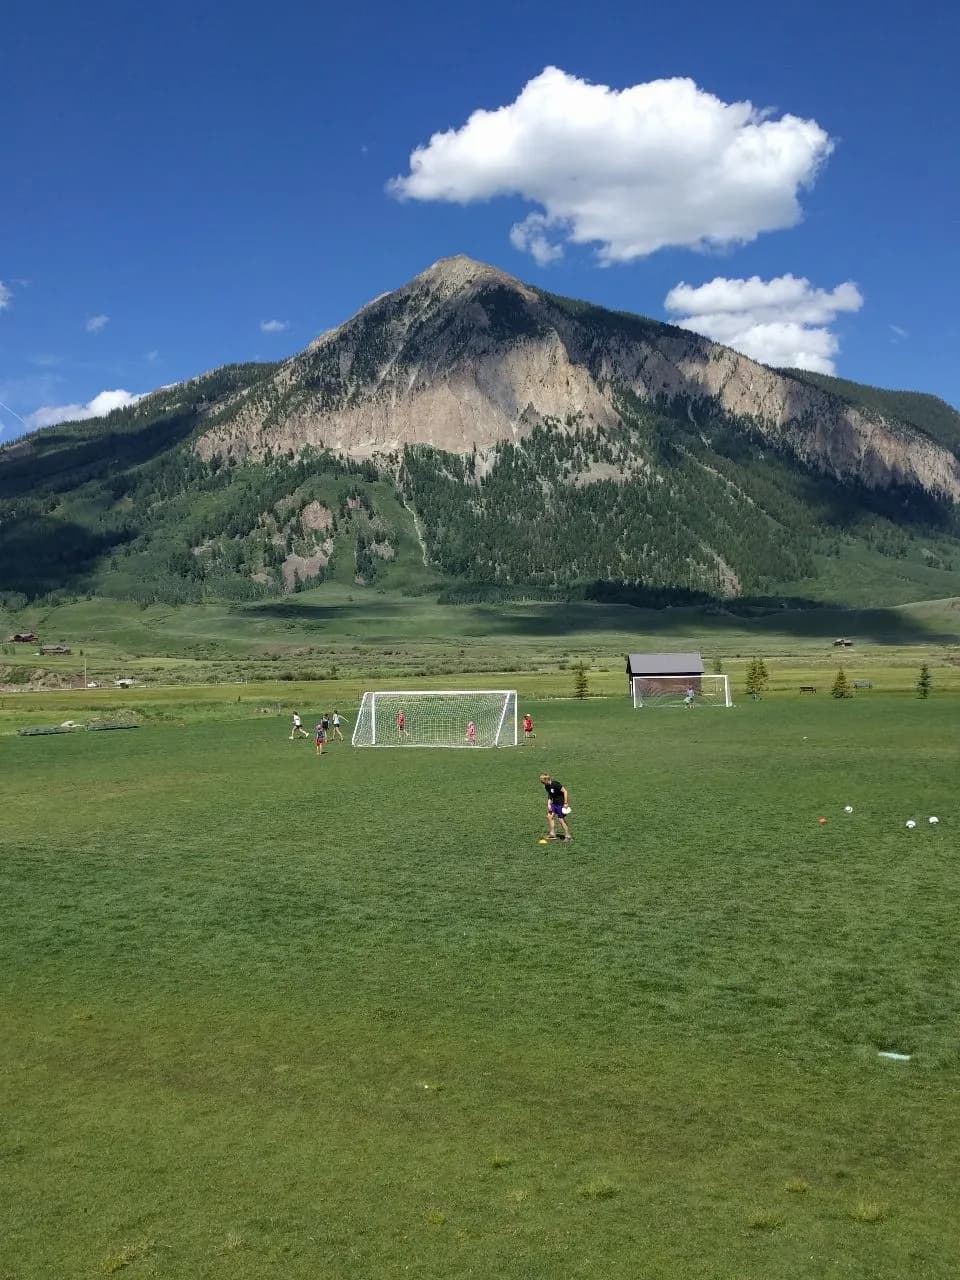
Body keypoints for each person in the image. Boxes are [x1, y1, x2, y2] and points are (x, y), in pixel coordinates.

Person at [539, 773, 572, 841]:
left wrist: (565, 803)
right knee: (549, 816)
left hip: (561, 804)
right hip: (554, 804)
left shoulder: (555, 784)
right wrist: (548, 804)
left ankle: (568, 836)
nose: (543, 784)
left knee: (561, 820)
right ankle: (552, 834)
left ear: (547, 779)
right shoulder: (547, 786)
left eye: (543, 782)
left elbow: (565, 791)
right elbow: (550, 795)